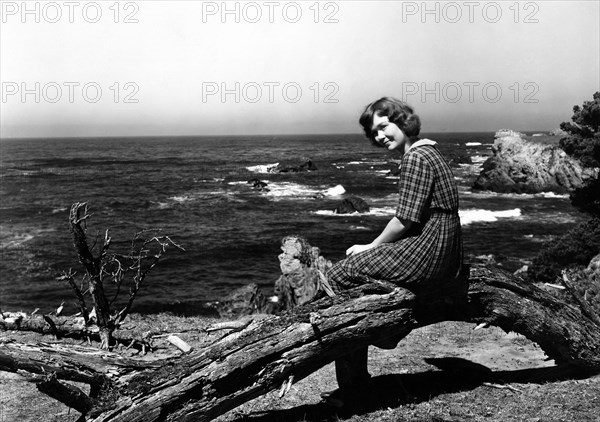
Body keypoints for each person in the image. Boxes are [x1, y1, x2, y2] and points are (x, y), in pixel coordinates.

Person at [322, 97, 463, 409]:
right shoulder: (430, 149)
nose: (379, 136)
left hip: (430, 250)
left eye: (384, 126)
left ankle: (363, 369)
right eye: (374, 133)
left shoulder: (416, 158)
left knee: (338, 273)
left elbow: (404, 220)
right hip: (442, 247)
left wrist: (371, 247)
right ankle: (377, 335)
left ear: (402, 121)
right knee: (356, 275)